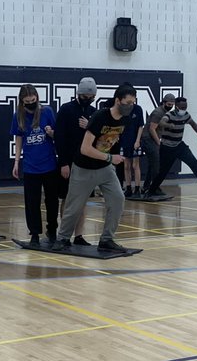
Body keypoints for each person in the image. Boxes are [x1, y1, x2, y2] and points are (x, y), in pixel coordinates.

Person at [53, 83, 137, 254]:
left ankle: (107, 239)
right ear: (118, 100)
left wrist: (111, 159)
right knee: (74, 207)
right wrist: (109, 158)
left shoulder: (126, 119)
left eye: (133, 103)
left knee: (118, 199)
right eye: (127, 102)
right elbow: (85, 148)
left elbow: (112, 142)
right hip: (84, 167)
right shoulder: (100, 116)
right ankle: (63, 238)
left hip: (105, 169)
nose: (130, 106)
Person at [10, 84, 60, 246]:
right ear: (22, 101)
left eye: (33, 100)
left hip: (49, 163)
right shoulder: (19, 115)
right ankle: (34, 233)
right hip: (31, 166)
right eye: (27, 101)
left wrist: (51, 133)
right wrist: (16, 162)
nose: (31, 103)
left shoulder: (47, 112)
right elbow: (18, 139)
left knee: (52, 200)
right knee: (32, 202)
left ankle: (52, 230)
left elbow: (56, 134)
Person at [147, 95, 197, 198]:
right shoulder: (169, 115)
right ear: (176, 107)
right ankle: (151, 190)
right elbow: (161, 122)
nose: (184, 109)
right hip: (167, 147)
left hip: (179, 146)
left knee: (194, 164)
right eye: (182, 108)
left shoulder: (186, 115)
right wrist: (169, 125)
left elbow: (193, 124)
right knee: (162, 171)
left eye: (185, 107)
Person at [53, 77, 99, 245]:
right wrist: (63, 163)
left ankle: (79, 235)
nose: (88, 99)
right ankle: (64, 234)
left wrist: (89, 126)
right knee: (67, 199)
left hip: (87, 163)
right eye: (85, 95)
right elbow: (59, 137)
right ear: (78, 93)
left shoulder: (94, 113)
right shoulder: (66, 110)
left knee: (83, 201)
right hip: (69, 162)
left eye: (91, 96)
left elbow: (99, 139)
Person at [141, 93, 174, 197]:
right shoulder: (158, 112)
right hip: (148, 139)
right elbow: (152, 129)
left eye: (172, 104)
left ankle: (146, 187)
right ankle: (155, 188)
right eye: (169, 104)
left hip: (151, 139)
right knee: (156, 165)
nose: (171, 106)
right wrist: (158, 143)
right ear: (164, 102)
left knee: (152, 165)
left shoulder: (165, 113)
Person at [117, 82, 146, 197]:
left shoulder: (138, 109)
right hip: (124, 140)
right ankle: (128, 187)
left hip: (135, 140)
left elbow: (140, 126)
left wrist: (138, 140)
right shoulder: (121, 109)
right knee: (126, 166)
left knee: (135, 165)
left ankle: (137, 188)